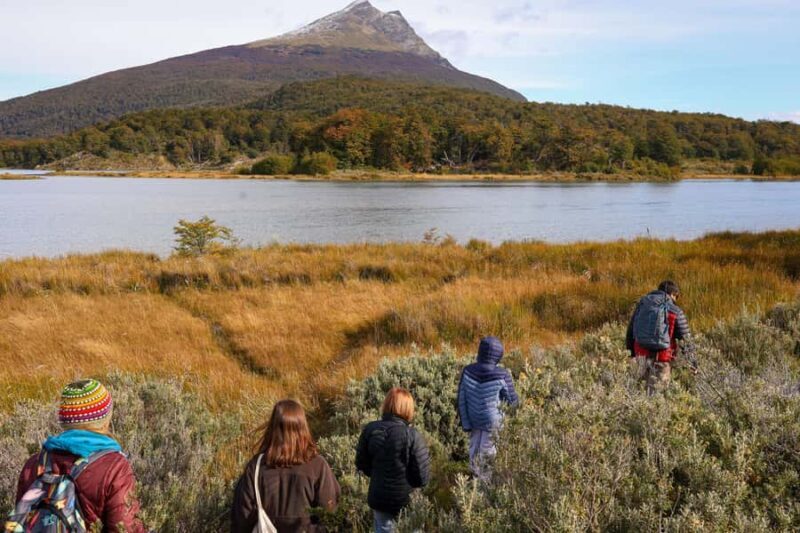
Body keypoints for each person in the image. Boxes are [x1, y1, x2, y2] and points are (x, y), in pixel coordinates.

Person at [8, 379, 146, 533]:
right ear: (105, 419)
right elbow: (124, 528)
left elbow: (21, 522)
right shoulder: (115, 466)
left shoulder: (34, 463)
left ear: (64, 420)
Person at [231, 399, 340, 533]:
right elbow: (331, 515)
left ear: (273, 428)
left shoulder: (257, 466)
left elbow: (242, 517)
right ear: (303, 427)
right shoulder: (318, 466)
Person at [356, 387, 431, 533]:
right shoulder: (412, 435)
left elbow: (361, 463)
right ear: (408, 408)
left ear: (387, 404)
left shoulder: (370, 430)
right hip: (407, 500)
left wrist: (379, 476)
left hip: (379, 498)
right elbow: (423, 477)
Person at [457, 336, 518, 481]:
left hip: (473, 420)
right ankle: (485, 486)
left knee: (474, 448)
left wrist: (465, 423)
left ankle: (473, 480)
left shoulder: (467, 371)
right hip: (493, 422)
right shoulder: (502, 374)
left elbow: (461, 399)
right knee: (488, 452)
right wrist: (512, 418)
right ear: (498, 355)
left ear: (480, 351)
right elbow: (512, 400)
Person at [626, 280, 697, 395]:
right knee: (658, 399)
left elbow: (630, 331)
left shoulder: (643, 304)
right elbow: (686, 340)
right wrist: (693, 363)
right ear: (673, 294)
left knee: (639, 397)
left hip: (641, 358)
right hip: (661, 360)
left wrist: (631, 354)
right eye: (676, 297)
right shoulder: (674, 310)